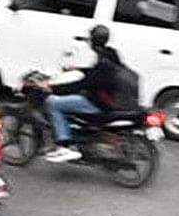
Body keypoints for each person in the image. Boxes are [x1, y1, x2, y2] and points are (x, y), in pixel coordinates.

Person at [46, 23, 142, 154]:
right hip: (110, 99)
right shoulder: (112, 54)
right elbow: (98, 74)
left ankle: (64, 145)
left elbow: (85, 84)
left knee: (54, 103)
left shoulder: (103, 62)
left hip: (98, 102)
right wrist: (79, 69)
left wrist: (54, 89)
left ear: (92, 40)